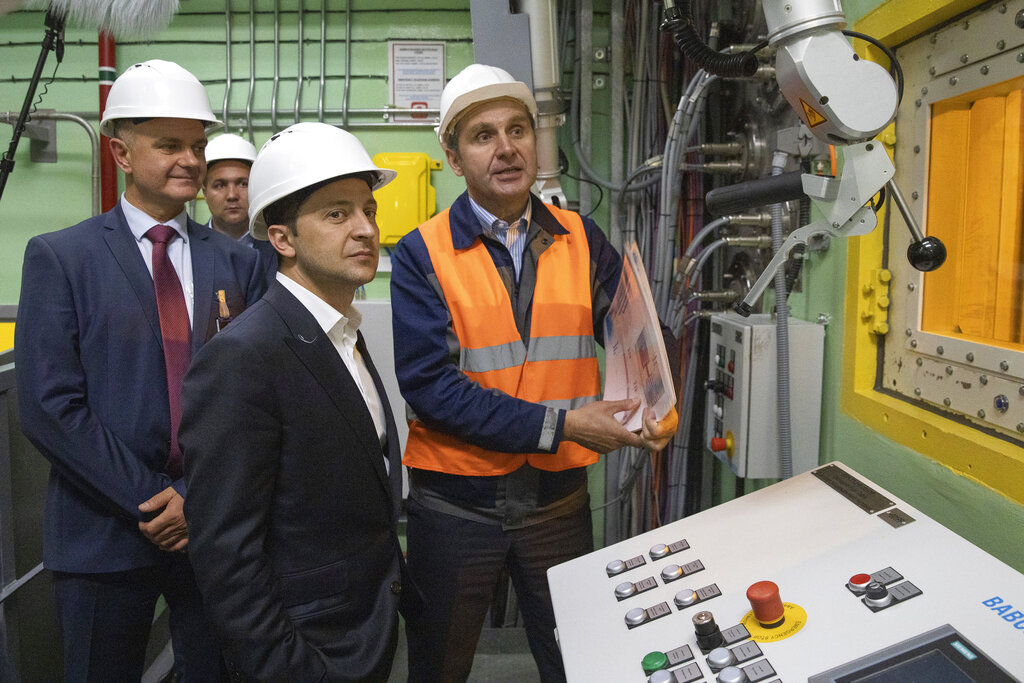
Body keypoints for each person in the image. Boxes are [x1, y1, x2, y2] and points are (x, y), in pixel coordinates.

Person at [390, 63, 679, 682]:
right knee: (439, 665)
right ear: (452, 155)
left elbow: (631, 336)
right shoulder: (422, 253)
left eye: (517, 129)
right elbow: (430, 387)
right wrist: (566, 423)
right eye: (483, 135)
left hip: (556, 505)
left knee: (576, 661)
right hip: (457, 509)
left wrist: (654, 404)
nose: (506, 148)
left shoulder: (580, 237)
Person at [14, 59, 267, 681]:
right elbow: (49, 405)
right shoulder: (61, 257)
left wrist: (193, 498)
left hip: (214, 528)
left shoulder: (239, 264)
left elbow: (257, 397)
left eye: (197, 145)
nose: (190, 159)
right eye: (169, 144)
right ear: (121, 153)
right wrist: (153, 498)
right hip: (102, 529)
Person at [180, 122, 413, 681]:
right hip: (310, 651)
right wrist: (290, 668)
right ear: (282, 240)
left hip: (365, 628)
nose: (365, 230)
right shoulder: (245, 355)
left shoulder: (340, 331)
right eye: (337, 214)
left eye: (368, 210)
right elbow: (227, 555)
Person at [202, 133, 278, 281]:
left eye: (243, 184)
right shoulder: (189, 248)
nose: (232, 195)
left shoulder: (281, 248)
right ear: (205, 192)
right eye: (220, 185)